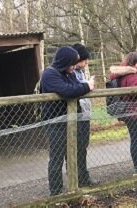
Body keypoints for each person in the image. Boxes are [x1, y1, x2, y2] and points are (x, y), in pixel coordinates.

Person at [41, 46, 95, 196]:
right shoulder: (49, 74)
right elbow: (67, 90)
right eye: (72, 63)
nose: (74, 67)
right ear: (65, 62)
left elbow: (75, 87)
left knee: (74, 154)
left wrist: (82, 87)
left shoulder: (67, 72)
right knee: (57, 157)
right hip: (56, 123)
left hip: (72, 120)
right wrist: (87, 86)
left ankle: (75, 185)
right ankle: (56, 191)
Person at [71, 43, 96, 186]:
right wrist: (86, 85)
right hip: (77, 115)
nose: (86, 63)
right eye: (84, 60)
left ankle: (83, 177)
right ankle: (77, 178)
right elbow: (76, 89)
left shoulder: (80, 72)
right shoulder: (71, 73)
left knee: (83, 147)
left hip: (85, 114)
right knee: (77, 148)